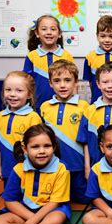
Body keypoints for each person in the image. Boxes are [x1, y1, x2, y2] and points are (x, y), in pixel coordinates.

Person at [0, 124, 71, 224]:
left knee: (56, 219)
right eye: (35, 147)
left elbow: (54, 203)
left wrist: (32, 223)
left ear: (54, 147)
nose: (42, 151)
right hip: (25, 213)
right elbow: (10, 201)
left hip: (49, 213)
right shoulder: (18, 169)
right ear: (25, 149)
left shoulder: (61, 169)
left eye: (47, 146)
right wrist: (32, 221)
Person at [40, 60, 89, 203]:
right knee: (53, 201)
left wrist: (87, 167)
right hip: (53, 167)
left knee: (85, 200)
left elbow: (86, 140)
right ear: (50, 83)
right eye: (57, 81)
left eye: (67, 80)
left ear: (75, 83)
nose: (62, 85)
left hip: (77, 166)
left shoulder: (84, 107)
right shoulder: (45, 107)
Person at [77, 62, 112, 175]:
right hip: (95, 169)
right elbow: (85, 143)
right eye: (105, 82)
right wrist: (87, 168)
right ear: (98, 84)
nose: (110, 86)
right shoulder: (90, 110)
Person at [0, 71, 42, 186]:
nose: (12, 94)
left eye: (19, 90)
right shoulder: (0, 116)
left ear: (29, 94)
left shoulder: (33, 117)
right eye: (8, 90)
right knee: (10, 199)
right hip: (7, 170)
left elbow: (38, 147)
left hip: (27, 171)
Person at [23, 14, 74, 112]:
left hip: (62, 106)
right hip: (37, 107)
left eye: (53, 29)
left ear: (59, 34)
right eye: (44, 29)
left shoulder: (67, 56)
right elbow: (26, 83)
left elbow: (73, 82)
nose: (49, 32)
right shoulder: (32, 56)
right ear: (37, 33)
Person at [83, 15, 112, 103]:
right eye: (103, 36)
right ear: (97, 36)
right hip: (96, 103)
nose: (107, 40)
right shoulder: (90, 57)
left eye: (111, 36)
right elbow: (89, 82)